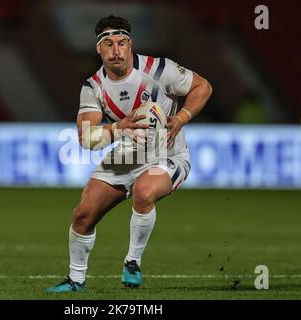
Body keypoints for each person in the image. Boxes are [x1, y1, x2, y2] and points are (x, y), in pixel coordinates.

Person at [47, 15, 212, 292]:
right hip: (125, 156)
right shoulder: (93, 87)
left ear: (130, 44)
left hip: (167, 155)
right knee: (82, 215)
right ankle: (76, 281)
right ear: (99, 49)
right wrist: (117, 128)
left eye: (121, 43)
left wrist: (181, 118)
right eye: (108, 44)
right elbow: (86, 139)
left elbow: (202, 87)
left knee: (144, 192)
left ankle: (132, 262)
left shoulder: (160, 70)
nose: (116, 50)